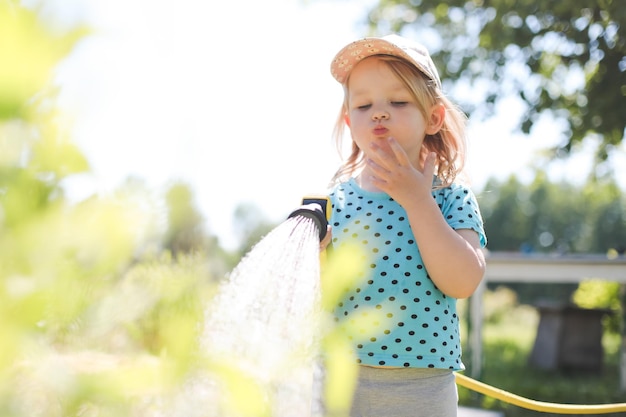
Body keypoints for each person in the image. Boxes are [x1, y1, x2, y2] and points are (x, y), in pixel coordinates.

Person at [321, 34, 487, 417]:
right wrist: (316, 257)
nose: (379, 113)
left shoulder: (449, 197)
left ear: (433, 117)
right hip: (341, 383)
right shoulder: (337, 202)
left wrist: (417, 199)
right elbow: (321, 299)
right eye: (364, 105)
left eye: (397, 101)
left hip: (423, 389)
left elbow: (462, 281)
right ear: (350, 122)